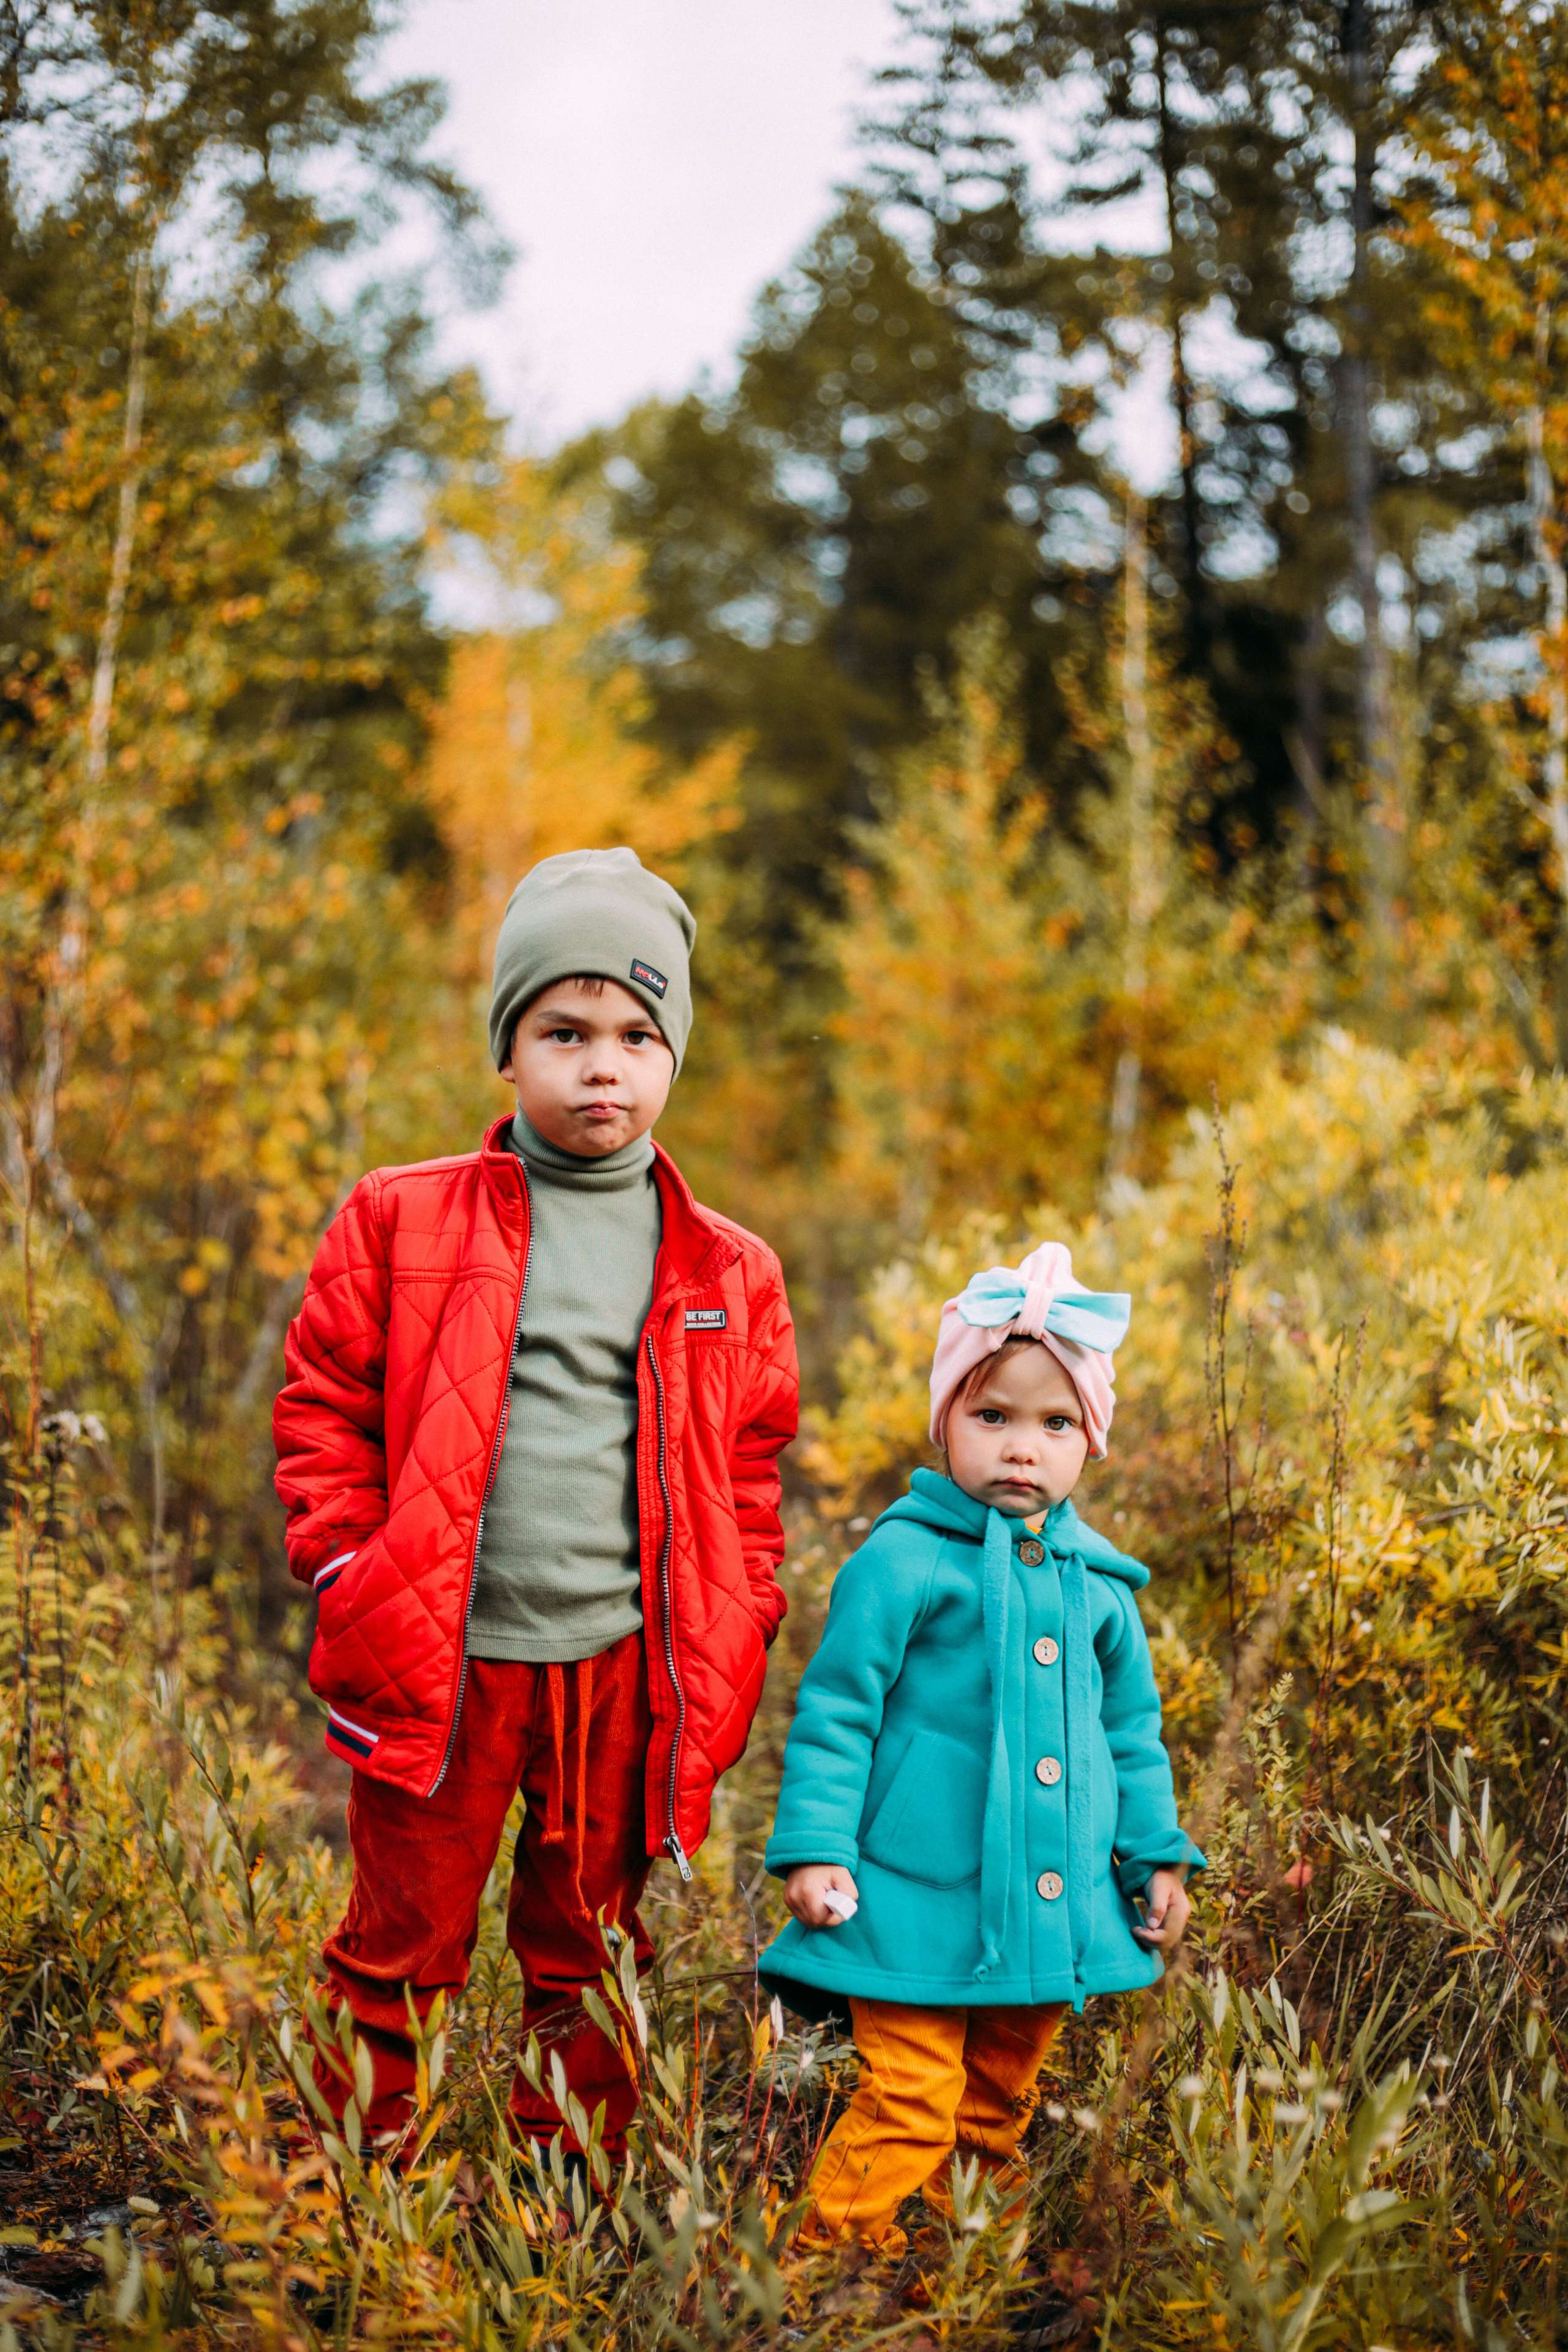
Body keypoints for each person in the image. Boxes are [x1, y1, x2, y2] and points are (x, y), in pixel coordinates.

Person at [274, 847, 799, 2165]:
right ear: (508, 1048)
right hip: (441, 1664)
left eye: (636, 1033)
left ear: (673, 1052)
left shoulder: (725, 1265)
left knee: (588, 1961)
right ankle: (359, 2191)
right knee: (399, 1947)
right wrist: (349, 1569)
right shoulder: (401, 1219)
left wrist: (741, 1615)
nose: (601, 1066)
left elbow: (748, 1462)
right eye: (563, 1032)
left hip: (622, 1674)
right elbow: (322, 1407)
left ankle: (565, 2202)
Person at [760, 1242, 1202, 2262]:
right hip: (916, 1892)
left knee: (995, 2104)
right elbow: (838, 1710)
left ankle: (965, 2280)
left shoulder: (1101, 1589)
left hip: (1052, 1893)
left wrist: (1155, 1855)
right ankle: (813, 2280)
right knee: (912, 2098)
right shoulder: (904, 1561)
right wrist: (818, 1848)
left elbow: (1131, 1736)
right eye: (992, 1415)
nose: (1021, 1448)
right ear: (946, 1422)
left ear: (1090, 1441)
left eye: (1055, 1424)